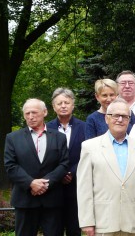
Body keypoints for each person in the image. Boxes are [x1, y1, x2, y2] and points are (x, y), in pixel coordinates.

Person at [77, 101, 135, 236]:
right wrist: (87, 221)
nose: (120, 119)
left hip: (133, 221)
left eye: (125, 116)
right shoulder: (89, 147)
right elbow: (84, 188)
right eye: (115, 115)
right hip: (103, 222)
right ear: (107, 118)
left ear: (129, 120)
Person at [4, 98, 70, 236]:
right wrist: (31, 183)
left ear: (45, 112)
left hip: (52, 200)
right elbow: (10, 165)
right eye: (27, 113)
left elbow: (64, 164)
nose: (30, 116)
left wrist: (46, 183)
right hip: (25, 200)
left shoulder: (59, 137)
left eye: (34, 112)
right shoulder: (13, 138)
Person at [45, 88, 87, 236]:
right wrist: (59, 174)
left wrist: (71, 173)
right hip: (53, 186)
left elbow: (87, 154)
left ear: (73, 105)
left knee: (74, 229)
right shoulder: (46, 128)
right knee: (53, 230)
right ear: (53, 106)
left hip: (76, 184)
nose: (63, 106)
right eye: (59, 103)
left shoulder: (84, 127)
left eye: (66, 102)